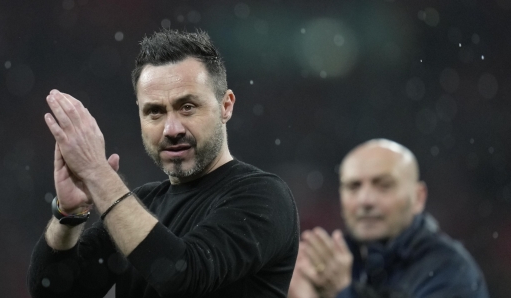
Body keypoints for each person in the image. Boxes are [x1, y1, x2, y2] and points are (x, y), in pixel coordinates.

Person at [28, 29, 299, 298]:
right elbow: (51, 292)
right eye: (154, 111)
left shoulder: (264, 197)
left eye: (187, 107)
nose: (171, 128)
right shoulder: (141, 203)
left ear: (225, 106)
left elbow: (183, 277)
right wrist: (70, 214)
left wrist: (97, 174)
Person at [288, 139, 489, 298]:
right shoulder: (329, 265)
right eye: (353, 187)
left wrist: (342, 293)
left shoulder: (450, 271)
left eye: (384, 185)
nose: (365, 200)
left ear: (418, 197)